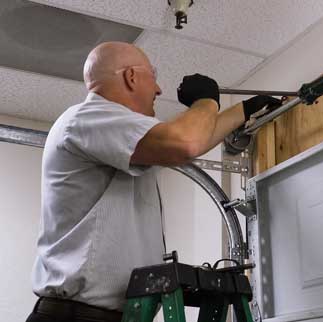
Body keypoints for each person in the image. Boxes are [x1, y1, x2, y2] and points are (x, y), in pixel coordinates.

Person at [26, 41, 281, 322]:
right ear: (131, 77)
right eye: (154, 76)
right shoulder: (85, 118)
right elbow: (185, 143)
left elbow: (191, 141)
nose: (158, 90)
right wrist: (207, 100)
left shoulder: (110, 131)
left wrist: (243, 110)